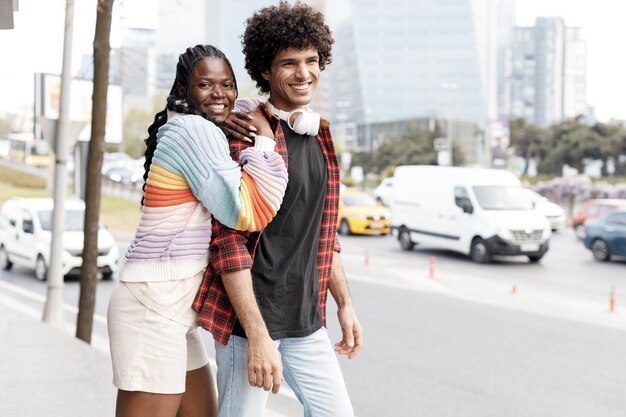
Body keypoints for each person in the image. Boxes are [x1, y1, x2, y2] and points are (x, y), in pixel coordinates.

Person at [193, 3, 363, 416]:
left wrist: (344, 303)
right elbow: (228, 244)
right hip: (250, 326)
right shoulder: (245, 133)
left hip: (307, 321)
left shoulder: (319, 133)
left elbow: (322, 231)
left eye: (311, 60)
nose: (304, 72)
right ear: (266, 71)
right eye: (289, 62)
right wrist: (255, 335)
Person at [106, 44, 288, 417]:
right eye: (205, 85)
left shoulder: (193, 125)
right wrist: (265, 142)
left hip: (172, 309)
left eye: (228, 84)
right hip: (151, 308)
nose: (219, 94)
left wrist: (230, 117)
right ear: (184, 91)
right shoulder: (192, 131)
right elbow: (248, 210)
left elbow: (240, 106)